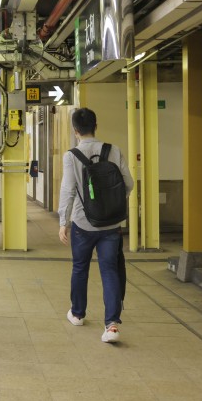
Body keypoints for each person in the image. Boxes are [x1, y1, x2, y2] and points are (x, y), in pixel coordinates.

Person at [58, 108, 135, 343]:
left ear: (75, 131)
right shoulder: (113, 150)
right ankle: (112, 325)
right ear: (96, 126)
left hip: (83, 224)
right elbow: (128, 183)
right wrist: (112, 204)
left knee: (80, 268)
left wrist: (63, 222)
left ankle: (77, 314)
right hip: (111, 225)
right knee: (109, 270)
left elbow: (68, 190)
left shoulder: (71, 156)